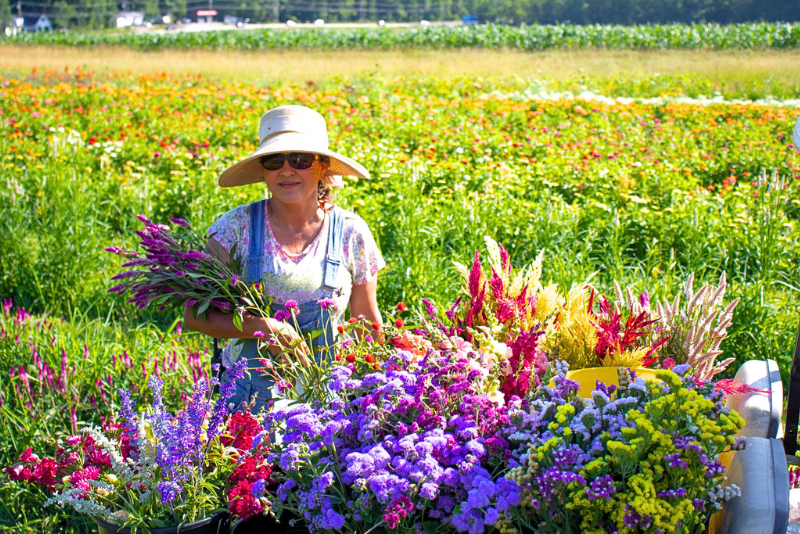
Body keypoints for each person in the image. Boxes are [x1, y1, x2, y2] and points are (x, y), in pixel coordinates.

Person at [183, 105, 385, 412]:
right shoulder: (234, 229)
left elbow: (366, 324)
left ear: (321, 167)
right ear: (263, 169)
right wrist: (263, 327)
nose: (286, 171)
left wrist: (373, 398)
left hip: (328, 401)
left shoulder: (350, 232)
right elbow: (194, 316)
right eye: (275, 160)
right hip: (248, 400)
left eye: (300, 160)